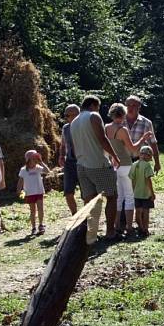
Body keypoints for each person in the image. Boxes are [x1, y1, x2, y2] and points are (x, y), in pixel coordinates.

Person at [71, 95, 120, 239]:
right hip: (98, 164)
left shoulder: (74, 121)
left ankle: (91, 233)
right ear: (93, 105)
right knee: (111, 197)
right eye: (98, 107)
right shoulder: (93, 116)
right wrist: (115, 156)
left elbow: (73, 147)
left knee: (89, 200)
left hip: (81, 165)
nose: (98, 110)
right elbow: (102, 139)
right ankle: (110, 232)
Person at [105, 103, 153, 238]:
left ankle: (117, 225)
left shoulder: (106, 127)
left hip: (114, 165)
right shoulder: (122, 129)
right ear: (123, 114)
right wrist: (143, 139)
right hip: (126, 164)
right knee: (130, 197)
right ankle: (129, 227)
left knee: (118, 197)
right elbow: (133, 149)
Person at [123, 95, 161, 172]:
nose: (130, 107)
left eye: (134, 105)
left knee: (141, 184)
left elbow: (153, 143)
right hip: (123, 162)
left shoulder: (147, 123)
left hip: (140, 161)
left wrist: (157, 162)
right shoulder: (119, 122)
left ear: (139, 107)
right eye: (128, 105)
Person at [16, 150, 49, 235]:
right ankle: (33, 227)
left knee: (40, 208)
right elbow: (20, 181)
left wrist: (41, 162)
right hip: (29, 193)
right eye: (34, 159)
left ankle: (41, 225)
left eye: (36, 159)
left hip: (39, 192)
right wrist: (19, 190)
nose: (35, 160)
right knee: (32, 211)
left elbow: (47, 171)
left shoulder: (38, 168)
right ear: (28, 160)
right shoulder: (23, 170)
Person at [57, 104, 80, 214]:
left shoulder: (84, 127)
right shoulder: (66, 128)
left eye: (69, 115)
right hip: (70, 162)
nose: (67, 118)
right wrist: (61, 156)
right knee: (68, 192)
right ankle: (75, 216)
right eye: (66, 115)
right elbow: (63, 145)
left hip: (83, 162)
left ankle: (87, 218)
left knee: (87, 193)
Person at [129, 146, 156, 237]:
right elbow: (148, 180)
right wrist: (152, 193)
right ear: (148, 156)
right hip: (146, 194)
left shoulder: (134, 164)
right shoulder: (147, 165)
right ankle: (145, 229)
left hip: (137, 193)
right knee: (146, 212)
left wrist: (134, 190)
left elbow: (132, 179)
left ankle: (140, 227)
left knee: (138, 211)